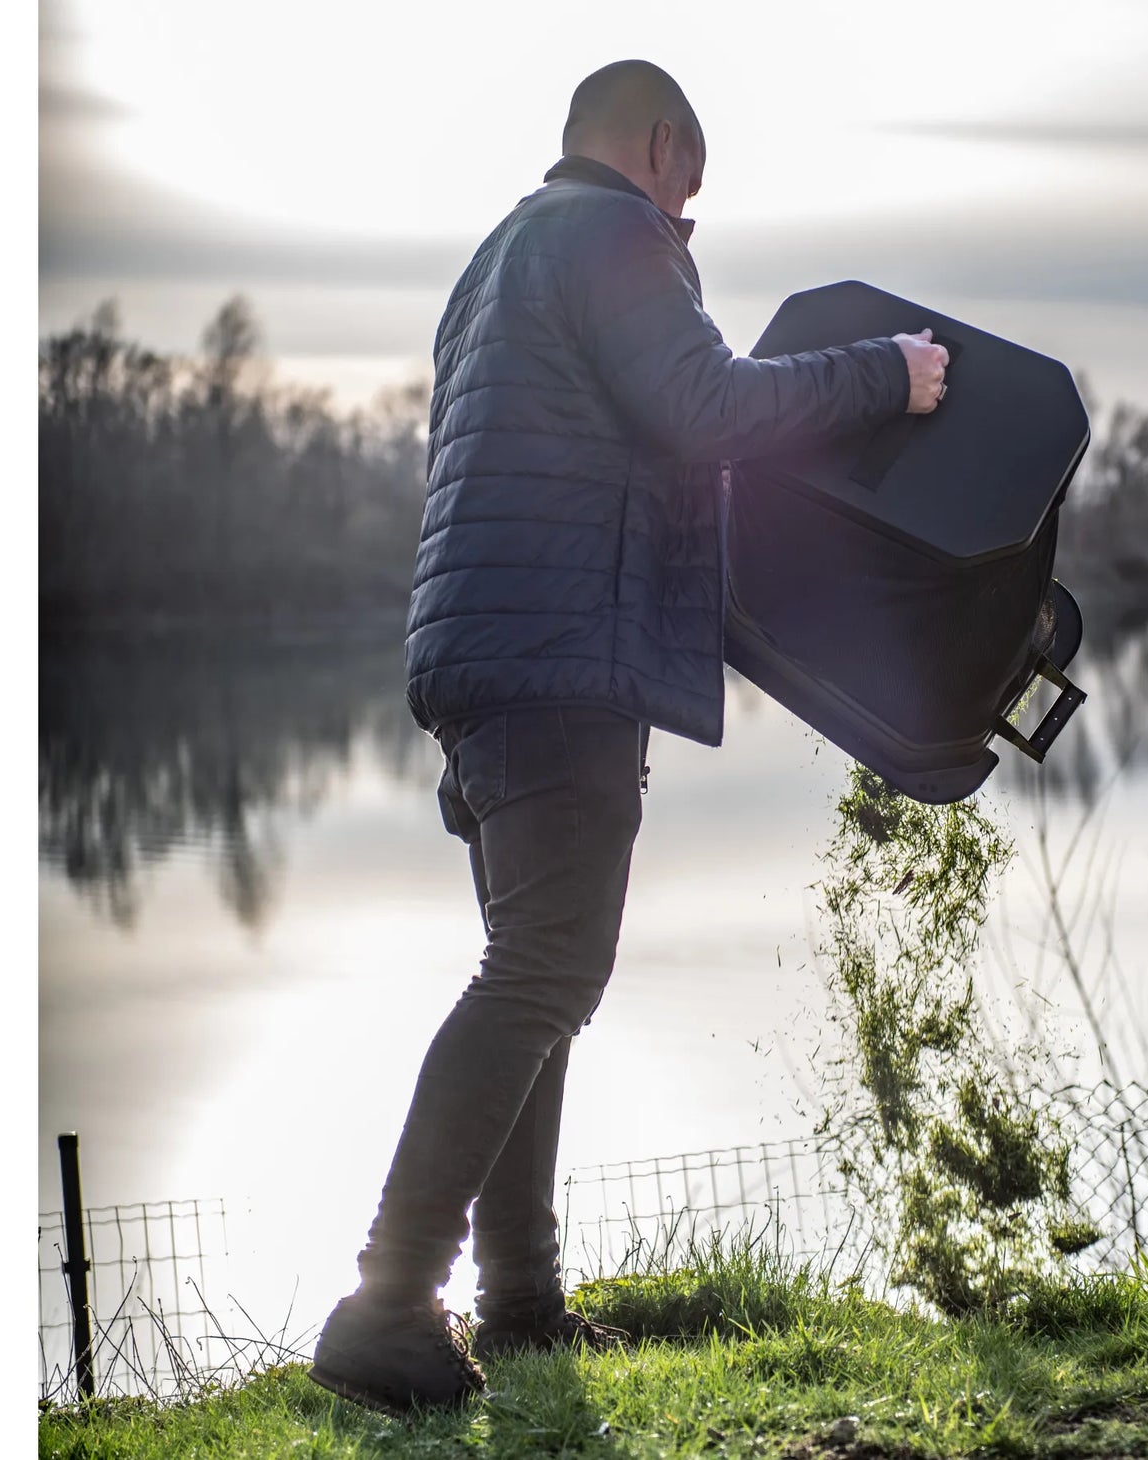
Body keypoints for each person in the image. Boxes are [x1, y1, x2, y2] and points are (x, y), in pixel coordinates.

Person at [309, 58, 949, 1416]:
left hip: (486, 656)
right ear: (658, 147)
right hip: (557, 656)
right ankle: (386, 1303)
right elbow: (706, 409)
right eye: (689, 192)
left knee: (537, 977)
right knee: (542, 972)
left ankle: (521, 1307)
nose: (687, 224)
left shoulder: (499, 259)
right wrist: (883, 376)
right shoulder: (609, 234)